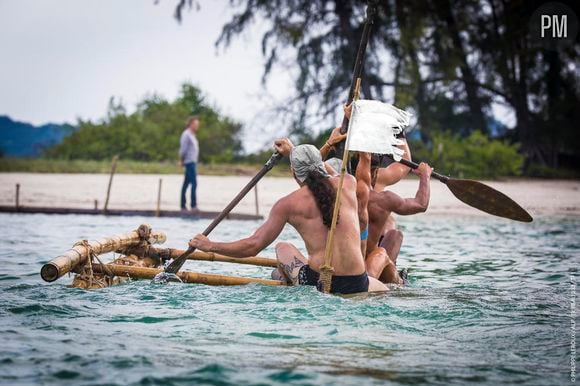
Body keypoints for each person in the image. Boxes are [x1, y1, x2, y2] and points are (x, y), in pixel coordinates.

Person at [188, 139, 388, 295]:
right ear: (321, 163)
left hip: (322, 283)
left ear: (294, 173)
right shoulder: (349, 183)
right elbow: (331, 173)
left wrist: (210, 245)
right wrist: (294, 151)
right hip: (357, 282)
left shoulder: (287, 204)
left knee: (283, 247)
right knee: (384, 289)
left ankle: (284, 278)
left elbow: (253, 246)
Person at [179, 116, 200, 211]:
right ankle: (193, 205)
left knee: (186, 183)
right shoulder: (186, 134)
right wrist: (182, 160)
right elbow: (183, 149)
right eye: (196, 124)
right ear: (191, 124)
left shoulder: (192, 135)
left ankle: (183, 205)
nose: (197, 126)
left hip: (192, 162)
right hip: (189, 162)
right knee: (194, 183)